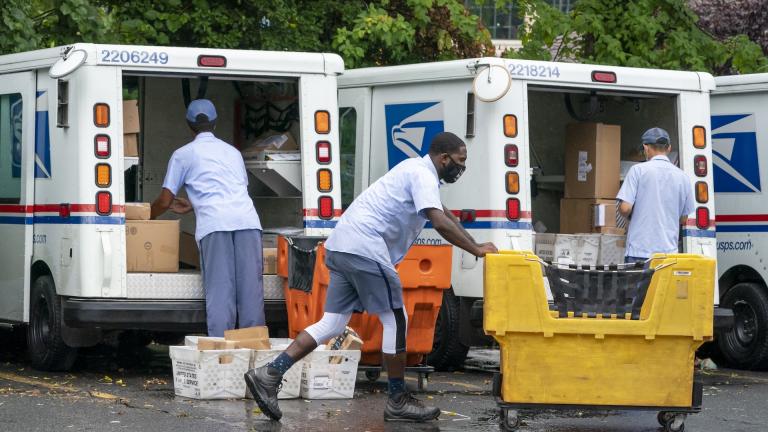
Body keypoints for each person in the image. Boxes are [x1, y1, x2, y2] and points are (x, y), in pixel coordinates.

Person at [244, 132, 497, 422]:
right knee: (396, 318)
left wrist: (478, 244)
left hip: (341, 246)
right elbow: (439, 222)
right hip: (364, 248)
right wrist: (476, 249)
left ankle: (269, 374)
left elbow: (445, 215)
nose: (461, 168)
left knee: (333, 322)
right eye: (460, 161)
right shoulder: (421, 175)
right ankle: (398, 399)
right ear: (443, 158)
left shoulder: (415, 170)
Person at [151, 99, 265, 337]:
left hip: (215, 225)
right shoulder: (232, 152)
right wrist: (195, 203)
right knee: (250, 292)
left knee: (221, 291)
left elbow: (164, 199)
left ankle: (222, 356)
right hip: (248, 221)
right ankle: (253, 351)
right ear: (215, 123)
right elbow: (232, 190)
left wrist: (143, 218)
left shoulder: (183, 155)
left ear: (189, 125)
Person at [616, 127, 694, 264]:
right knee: (663, 286)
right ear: (668, 148)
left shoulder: (637, 171)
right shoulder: (683, 177)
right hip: (668, 254)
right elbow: (683, 218)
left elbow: (625, 208)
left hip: (640, 251)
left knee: (639, 286)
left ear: (646, 148)